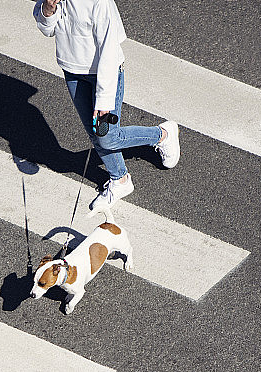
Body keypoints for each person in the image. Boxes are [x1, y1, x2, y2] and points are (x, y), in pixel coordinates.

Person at [33, 0, 181, 214]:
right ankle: (119, 180)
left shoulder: (99, 2)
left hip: (104, 73)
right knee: (95, 132)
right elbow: (47, 29)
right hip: (72, 73)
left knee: (107, 136)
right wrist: (48, 9)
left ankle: (162, 135)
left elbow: (109, 53)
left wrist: (103, 100)